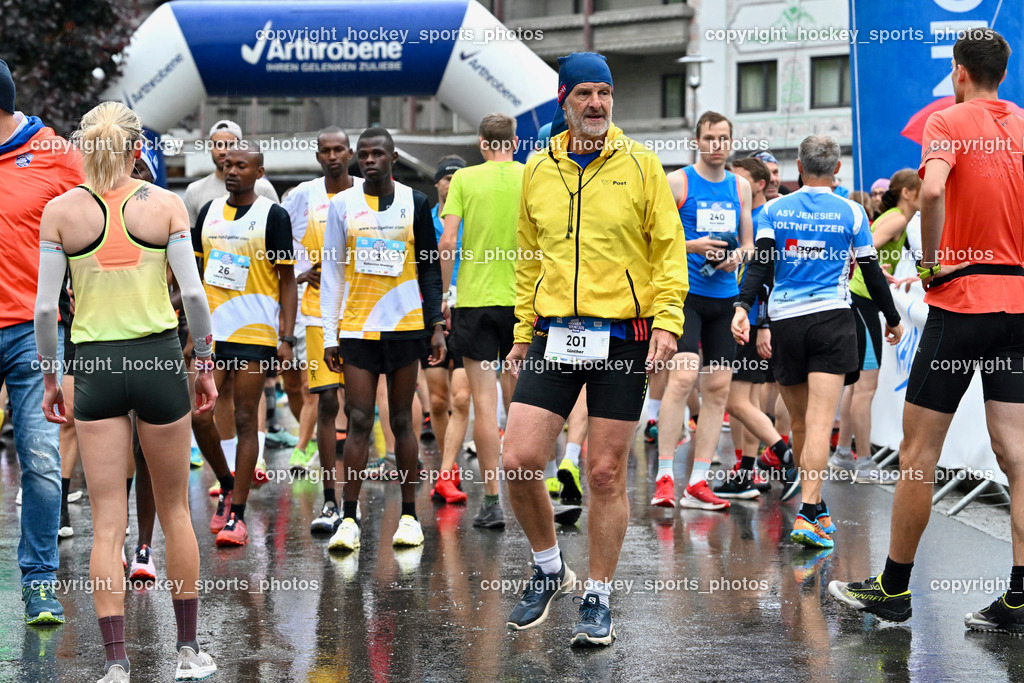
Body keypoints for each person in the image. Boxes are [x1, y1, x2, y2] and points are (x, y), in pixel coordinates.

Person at [831, 28, 1024, 633]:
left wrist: (938, 259)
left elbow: (933, 188)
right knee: (1018, 457)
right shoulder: (1021, 122)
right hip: (1017, 306)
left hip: (961, 302)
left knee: (917, 455)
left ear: (959, 71)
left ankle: (893, 589)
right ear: (1004, 72)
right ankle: (1020, 596)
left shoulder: (948, 120)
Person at [502, 52, 686, 646]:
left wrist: (668, 320)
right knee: (519, 459)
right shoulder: (538, 168)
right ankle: (550, 567)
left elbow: (668, 248)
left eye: (604, 93)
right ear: (563, 100)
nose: (597, 104)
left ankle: (599, 595)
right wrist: (522, 332)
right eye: (584, 94)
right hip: (556, 333)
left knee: (604, 473)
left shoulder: (641, 164)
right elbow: (528, 257)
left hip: (625, 336)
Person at [35, 100, 217, 682]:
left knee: (107, 519)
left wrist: (48, 374)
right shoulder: (164, 204)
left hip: (94, 365)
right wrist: (205, 362)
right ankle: (188, 653)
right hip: (159, 356)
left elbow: (44, 308)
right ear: (138, 151)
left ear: (85, 152)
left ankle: (116, 665)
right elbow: (192, 297)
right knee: (174, 511)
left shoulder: (60, 212)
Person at [732, 134, 903, 553]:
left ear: (799, 170)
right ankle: (810, 512)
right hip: (832, 321)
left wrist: (742, 307)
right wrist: (893, 317)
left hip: (787, 322)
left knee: (803, 424)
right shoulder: (853, 210)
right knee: (820, 425)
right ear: (837, 170)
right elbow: (871, 270)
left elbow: (762, 264)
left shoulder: (774, 208)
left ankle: (816, 505)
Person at [321, 126, 446, 553]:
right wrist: (329, 333)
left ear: (393, 157)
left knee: (400, 421)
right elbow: (333, 272)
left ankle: (410, 515)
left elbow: (429, 270)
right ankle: (349, 519)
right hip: (357, 327)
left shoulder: (418, 202)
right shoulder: (341, 205)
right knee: (358, 419)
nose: (369, 161)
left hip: (406, 326)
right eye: (364, 155)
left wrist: (436, 326)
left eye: (378, 154)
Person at [0, 58, 82, 625]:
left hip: (34, 330)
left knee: (41, 459)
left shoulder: (56, 155)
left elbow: (107, 215)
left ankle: (39, 585)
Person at [192, 141, 297, 547]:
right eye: (226, 162)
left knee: (244, 417)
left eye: (241, 165)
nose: (231, 169)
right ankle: (226, 482)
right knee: (200, 417)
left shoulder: (273, 216)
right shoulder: (208, 213)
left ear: (259, 172)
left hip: (255, 332)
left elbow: (287, 281)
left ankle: (237, 512)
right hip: (213, 334)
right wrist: (190, 331)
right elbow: (199, 276)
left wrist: (285, 337)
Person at [655, 111, 755, 510]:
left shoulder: (741, 186)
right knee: (681, 380)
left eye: (723, 138)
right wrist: (694, 246)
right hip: (686, 295)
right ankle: (664, 476)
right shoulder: (677, 182)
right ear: (697, 140)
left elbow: (749, 244)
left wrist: (737, 257)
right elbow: (654, 241)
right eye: (709, 137)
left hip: (724, 298)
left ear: (730, 142)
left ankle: (698, 481)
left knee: (717, 390)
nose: (716, 145)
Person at [439, 114, 524, 529]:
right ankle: (533, 492)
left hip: (474, 301)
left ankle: (493, 501)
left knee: (484, 409)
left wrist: (445, 295)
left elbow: (447, 240)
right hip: (522, 300)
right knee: (524, 405)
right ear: (516, 141)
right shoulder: (532, 176)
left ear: (480, 142)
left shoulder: (464, 181)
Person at [282, 126, 362, 533]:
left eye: (339, 149)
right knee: (327, 404)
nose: (333, 156)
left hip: (365, 315)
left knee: (360, 410)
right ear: (317, 156)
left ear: (351, 153)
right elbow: (283, 248)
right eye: (325, 150)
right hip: (318, 316)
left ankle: (353, 503)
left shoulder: (369, 192)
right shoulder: (301, 196)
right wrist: (302, 272)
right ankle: (330, 501)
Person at [832, 169, 920, 483]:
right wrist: (871, 269)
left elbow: (868, 253)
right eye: (921, 188)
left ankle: (843, 454)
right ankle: (865, 463)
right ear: (909, 192)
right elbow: (859, 252)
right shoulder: (897, 220)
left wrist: (884, 274)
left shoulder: (897, 217)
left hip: (861, 301)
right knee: (865, 389)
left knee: (857, 386)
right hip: (861, 302)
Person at [716, 156, 781, 498]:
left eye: (740, 181)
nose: (734, 187)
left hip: (752, 319)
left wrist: (765, 323)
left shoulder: (762, 219)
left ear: (756, 185)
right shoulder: (746, 218)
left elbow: (767, 276)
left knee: (737, 401)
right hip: (746, 316)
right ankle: (746, 471)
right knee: (749, 402)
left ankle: (782, 457)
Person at [425, 155, 471, 505]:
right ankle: (448, 465)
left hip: (468, 310)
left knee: (461, 397)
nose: (450, 182)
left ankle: (446, 470)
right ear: (437, 183)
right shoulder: (425, 222)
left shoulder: (473, 222)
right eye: (445, 177)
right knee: (438, 401)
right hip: (433, 315)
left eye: (457, 176)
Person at [183, 119, 278, 227]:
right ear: (210, 146)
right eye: (217, 144)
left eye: (229, 144)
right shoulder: (194, 191)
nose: (223, 151)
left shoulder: (264, 188)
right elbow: (190, 238)